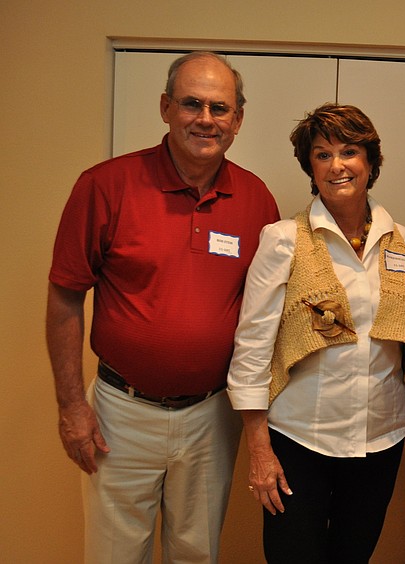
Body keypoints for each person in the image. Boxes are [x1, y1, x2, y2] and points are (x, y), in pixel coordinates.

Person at [45, 51, 280, 563]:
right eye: (191, 103)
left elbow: (267, 314)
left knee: (197, 553)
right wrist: (71, 406)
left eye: (220, 108)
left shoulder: (257, 200)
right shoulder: (105, 185)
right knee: (115, 555)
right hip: (120, 414)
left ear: (237, 119)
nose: (205, 119)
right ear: (165, 107)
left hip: (211, 415)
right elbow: (65, 293)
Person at [226, 103, 405, 564]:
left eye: (349, 151)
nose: (337, 165)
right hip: (299, 440)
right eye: (322, 154)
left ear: (370, 162)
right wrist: (259, 449)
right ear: (310, 167)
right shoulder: (283, 239)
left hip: (381, 438)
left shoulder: (404, 242)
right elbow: (252, 346)